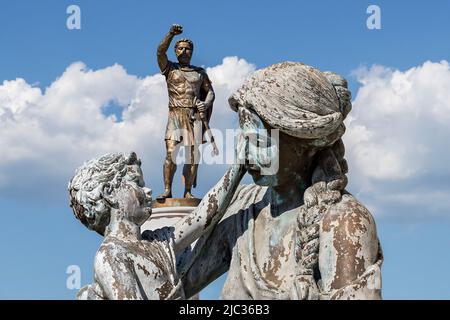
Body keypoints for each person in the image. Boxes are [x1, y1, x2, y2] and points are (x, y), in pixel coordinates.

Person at [181, 62, 383, 300]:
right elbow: (170, 285)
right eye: (241, 139)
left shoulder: (344, 222)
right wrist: (225, 190)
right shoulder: (243, 208)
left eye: (258, 142)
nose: (244, 156)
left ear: (308, 142)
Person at [68, 152, 245, 299]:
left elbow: (201, 217)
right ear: (109, 193)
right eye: (137, 183)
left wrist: (239, 166)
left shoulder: (156, 242)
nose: (148, 191)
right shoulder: (111, 255)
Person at [156, 24, 215, 200]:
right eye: (180, 48)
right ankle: (167, 190)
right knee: (170, 153)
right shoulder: (170, 68)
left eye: (188, 48)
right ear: (175, 51)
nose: (184, 51)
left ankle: (187, 191)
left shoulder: (199, 73)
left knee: (191, 156)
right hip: (175, 114)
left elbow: (210, 92)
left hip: (193, 116)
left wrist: (205, 103)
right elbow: (160, 52)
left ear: (192, 52)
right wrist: (171, 34)